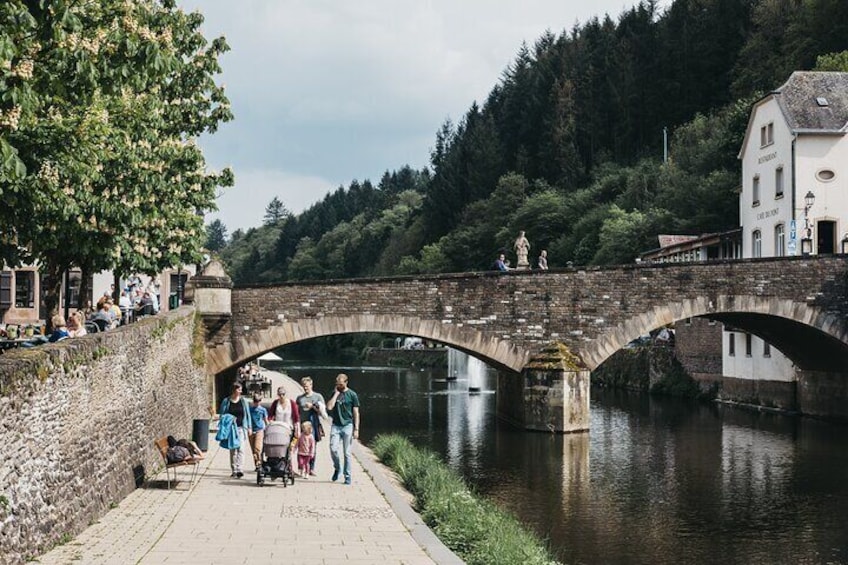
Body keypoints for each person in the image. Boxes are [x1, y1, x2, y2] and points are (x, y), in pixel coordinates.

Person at [326, 373, 360, 485]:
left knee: (347, 453)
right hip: (336, 425)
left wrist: (356, 429)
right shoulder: (334, 392)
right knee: (333, 448)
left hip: (348, 425)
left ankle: (347, 476)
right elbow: (329, 407)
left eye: (341, 384)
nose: (339, 386)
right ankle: (337, 467)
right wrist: (336, 394)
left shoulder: (352, 395)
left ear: (346, 382)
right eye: (337, 384)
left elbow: (356, 412)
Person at [219, 383, 252, 478]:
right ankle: (234, 469)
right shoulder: (226, 401)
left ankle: (240, 469)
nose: (241, 391)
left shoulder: (243, 401)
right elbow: (222, 415)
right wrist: (229, 418)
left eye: (241, 389)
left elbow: (248, 414)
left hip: (242, 427)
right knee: (233, 449)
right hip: (231, 429)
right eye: (239, 389)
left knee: (241, 449)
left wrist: (249, 427)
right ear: (234, 390)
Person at [296, 376, 325, 475]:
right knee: (300, 446)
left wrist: (313, 406)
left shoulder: (318, 397)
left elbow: (323, 413)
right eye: (304, 386)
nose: (305, 388)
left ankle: (311, 468)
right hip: (302, 425)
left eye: (307, 386)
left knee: (312, 447)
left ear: (311, 385)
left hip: (313, 425)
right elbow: (297, 412)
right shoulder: (300, 398)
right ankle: (301, 467)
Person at [247, 394, 268, 470]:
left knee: (257, 448)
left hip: (260, 430)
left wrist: (268, 428)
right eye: (255, 401)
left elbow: (266, 420)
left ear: (260, 401)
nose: (256, 403)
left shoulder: (263, 410)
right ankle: (257, 465)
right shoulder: (250, 409)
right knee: (253, 450)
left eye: (258, 401)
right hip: (251, 430)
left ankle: (260, 462)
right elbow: (247, 419)